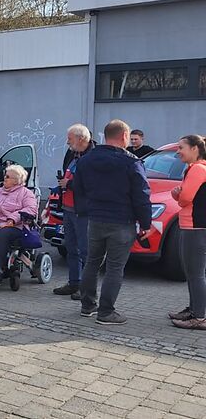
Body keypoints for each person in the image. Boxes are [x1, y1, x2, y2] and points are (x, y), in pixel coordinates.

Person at [75, 119, 152, 325]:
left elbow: (78, 189)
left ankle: (87, 306)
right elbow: (141, 195)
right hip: (122, 221)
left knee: (92, 262)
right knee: (114, 268)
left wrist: (86, 211)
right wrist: (146, 223)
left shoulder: (86, 160)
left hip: (95, 219)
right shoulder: (131, 162)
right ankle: (106, 312)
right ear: (125, 136)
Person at [53, 124, 96, 300]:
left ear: (81, 139)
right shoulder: (72, 152)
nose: (67, 142)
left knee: (86, 251)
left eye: (70, 139)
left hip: (83, 211)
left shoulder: (93, 156)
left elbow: (93, 184)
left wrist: (69, 184)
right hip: (68, 208)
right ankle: (74, 283)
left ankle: (85, 288)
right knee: (71, 249)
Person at [168, 135, 206, 329]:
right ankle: (194, 310)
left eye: (181, 147)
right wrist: (179, 194)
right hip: (192, 226)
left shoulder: (197, 169)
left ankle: (199, 316)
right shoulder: (196, 168)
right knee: (193, 272)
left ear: (194, 148)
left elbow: (185, 198)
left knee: (196, 273)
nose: (178, 151)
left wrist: (177, 194)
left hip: (195, 227)